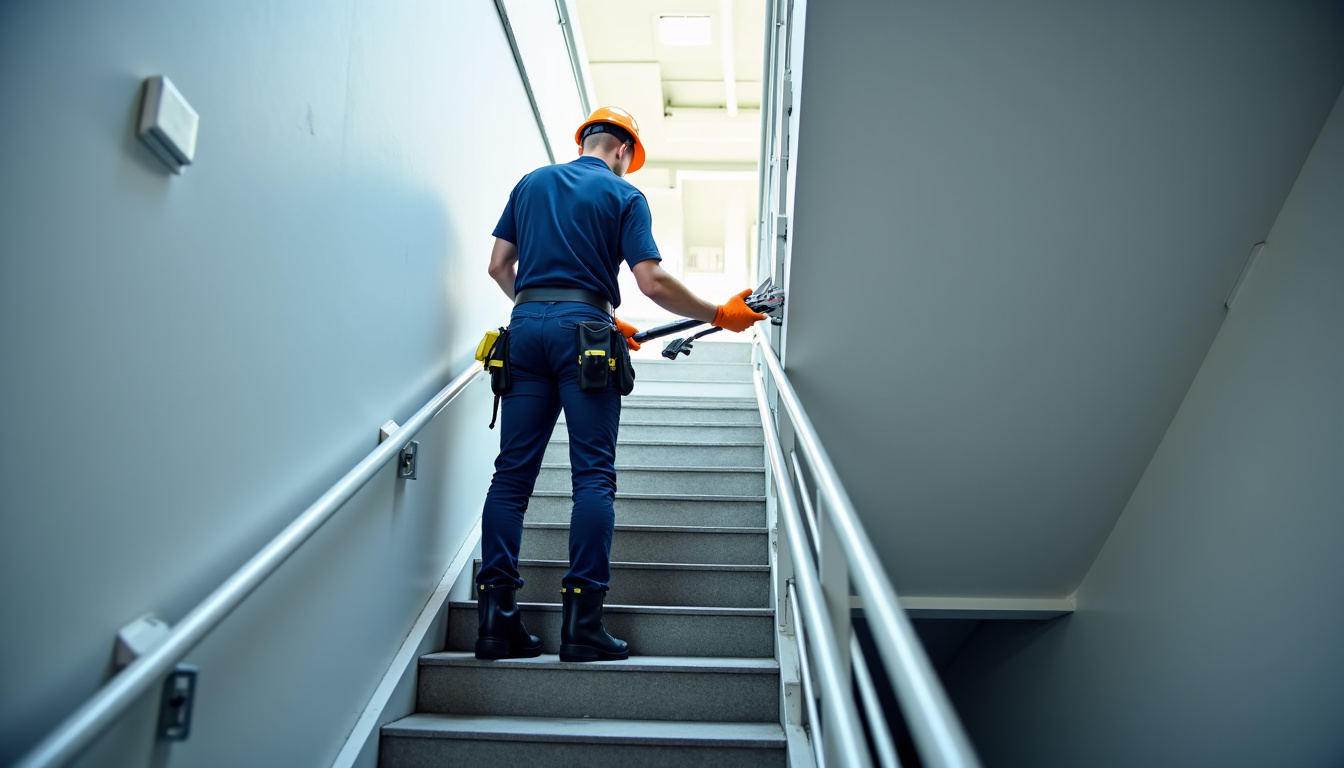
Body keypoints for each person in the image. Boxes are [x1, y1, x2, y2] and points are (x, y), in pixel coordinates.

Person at [473, 106, 766, 663]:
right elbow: (651, 281)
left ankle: (496, 622)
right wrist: (717, 314)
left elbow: (499, 266)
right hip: (583, 337)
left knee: (510, 478)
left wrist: (558, 309)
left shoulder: (531, 183)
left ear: (584, 139)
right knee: (592, 478)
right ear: (624, 151)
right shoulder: (624, 195)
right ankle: (581, 626)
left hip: (524, 330)